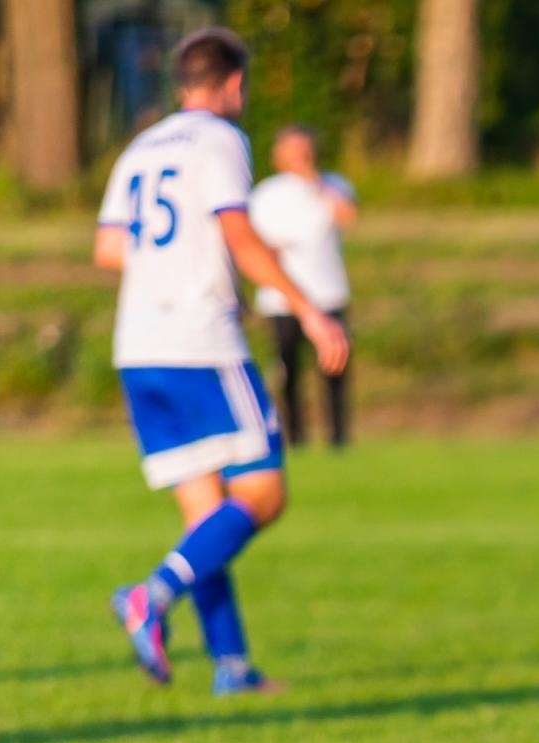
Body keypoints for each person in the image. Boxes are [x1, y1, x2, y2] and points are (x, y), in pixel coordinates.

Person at [93, 27, 348, 694]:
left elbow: (109, 249)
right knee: (262, 495)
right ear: (234, 83)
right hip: (200, 341)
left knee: (205, 517)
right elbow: (238, 232)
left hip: (138, 347)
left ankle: (231, 667)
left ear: (183, 82)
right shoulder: (222, 141)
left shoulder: (141, 147)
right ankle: (151, 594)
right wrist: (310, 308)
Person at [249, 125, 358, 448]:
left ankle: (338, 438)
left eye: (306, 149)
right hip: (282, 299)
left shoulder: (333, 185)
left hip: (328, 293)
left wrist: (317, 183)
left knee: (335, 367)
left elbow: (347, 216)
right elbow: (255, 244)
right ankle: (295, 436)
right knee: (289, 370)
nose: (302, 156)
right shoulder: (266, 194)